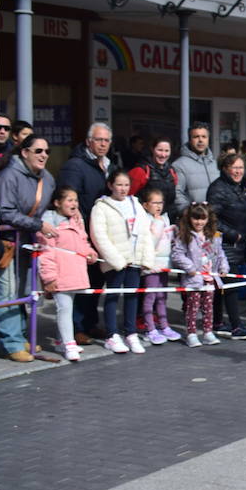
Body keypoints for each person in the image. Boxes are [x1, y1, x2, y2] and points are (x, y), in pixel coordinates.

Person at [0, 136, 56, 363]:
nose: (43, 155)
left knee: (21, 292)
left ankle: (20, 337)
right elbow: (6, 212)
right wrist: (38, 225)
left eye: (47, 151)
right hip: (6, 242)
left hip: (28, 242)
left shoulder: (47, 178)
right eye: (38, 150)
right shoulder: (8, 176)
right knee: (7, 293)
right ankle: (12, 342)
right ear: (24, 153)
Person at [58, 122, 116, 342]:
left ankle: (90, 323)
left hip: (102, 233)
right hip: (82, 233)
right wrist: (80, 231)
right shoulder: (75, 165)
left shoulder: (108, 165)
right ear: (88, 141)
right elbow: (70, 199)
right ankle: (77, 327)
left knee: (96, 281)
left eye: (106, 140)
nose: (103, 144)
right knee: (80, 282)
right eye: (99, 140)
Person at [90, 168, 154, 355]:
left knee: (132, 296)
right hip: (115, 261)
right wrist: (116, 260)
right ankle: (112, 335)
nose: (123, 189)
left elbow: (145, 233)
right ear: (110, 185)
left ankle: (131, 333)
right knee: (112, 296)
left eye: (126, 185)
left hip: (135, 260)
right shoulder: (101, 207)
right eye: (119, 184)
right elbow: (99, 236)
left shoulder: (135, 204)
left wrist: (146, 259)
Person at [38, 186, 96, 362]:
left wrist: (90, 253)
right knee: (64, 309)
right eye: (69, 200)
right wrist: (49, 278)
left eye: (76, 200)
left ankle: (60, 341)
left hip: (75, 273)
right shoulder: (50, 225)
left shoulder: (77, 222)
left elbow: (82, 243)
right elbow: (46, 253)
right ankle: (69, 344)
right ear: (57, 203)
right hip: (61, 276)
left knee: (68, 310)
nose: (74, 204)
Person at [206, 152, 246, 340]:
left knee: (223, 285)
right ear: (225, 168)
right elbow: (212, 218)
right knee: (231, 285)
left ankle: (218, 322)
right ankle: (236, 326)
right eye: (234, 168)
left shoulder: (241, 187)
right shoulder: (218, 188)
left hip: (239, 242)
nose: (238, 171)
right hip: (226, 244)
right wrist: (233, 235)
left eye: (241, 168)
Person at [172, 202, 227, 346]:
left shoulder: (213, 236)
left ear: (208, 219)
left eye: (203, 218)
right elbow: (177, 254)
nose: (199, 222)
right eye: (196, 218)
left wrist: (223, 267)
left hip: (210, 277)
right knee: (193, 307)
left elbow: (220, 254)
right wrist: (189, 267)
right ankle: (191, 333)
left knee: (209, 307)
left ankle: (208, 332)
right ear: (189, 218)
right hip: (194, 278)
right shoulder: (185, 236)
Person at [139, 187, 180, 344]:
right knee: (150, 297)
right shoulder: (146, 221)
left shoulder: (164, 218)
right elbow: (151, 242)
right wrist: (157, 224)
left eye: (160, 202)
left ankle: (164, 325)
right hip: (151, 265)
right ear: (145, 205)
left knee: (163, 297)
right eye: (154, 202)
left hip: (164, 263)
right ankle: (150, 328)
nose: (158, 206)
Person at [173, 123, 220, 212]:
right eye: (196, 137)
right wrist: (189, 213)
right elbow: (177, 194)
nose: (200, 140)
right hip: (194, 220)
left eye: (204, 136)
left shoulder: (215, 163)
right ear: (190, 140)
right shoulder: (179, 165)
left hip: (216, 219)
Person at [127, 137, 178, 212]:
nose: (163, 155)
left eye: (167, 151)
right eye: (160, 150)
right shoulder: (141, 171)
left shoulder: (172, 171)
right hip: (144, 217)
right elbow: (128, 197)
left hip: (166, 217)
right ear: (152, 149)